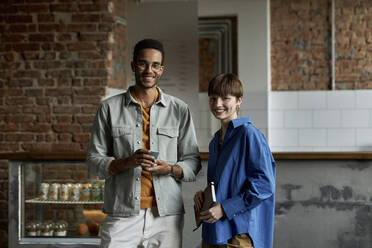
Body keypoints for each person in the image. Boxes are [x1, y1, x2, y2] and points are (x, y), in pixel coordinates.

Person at [87, 38, 202, 248]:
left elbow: (193, 162)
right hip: (121, 213)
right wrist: (125, 163)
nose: (149, 70)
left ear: (162, 69)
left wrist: (170, 168)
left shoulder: (179, 110)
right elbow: (94, 161)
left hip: (166, 216)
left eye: (155, 65)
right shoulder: (109, 108)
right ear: (133, 66)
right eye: (143, 63)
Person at [194, 73, 276, 248]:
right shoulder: (215, 141)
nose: (218, 104)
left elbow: (264, 185)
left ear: (239, 101)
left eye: (225, 98)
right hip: (213, 232)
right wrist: (204, 196)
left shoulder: (249, 134)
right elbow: (222, 185)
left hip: (239, 233)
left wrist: (224, 208)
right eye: (213, 98)